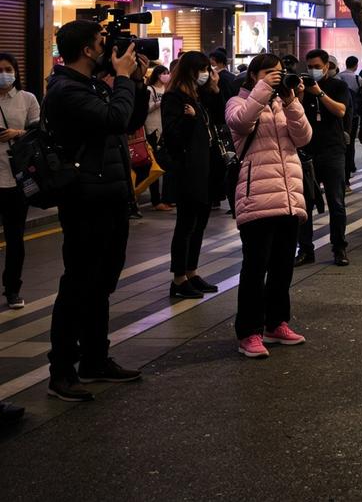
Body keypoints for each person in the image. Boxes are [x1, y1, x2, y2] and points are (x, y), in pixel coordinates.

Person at [44, 20, 150, 401]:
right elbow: (113, 119)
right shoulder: (65, 89)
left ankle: (94, 359)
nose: (109, 48)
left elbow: (130, 121)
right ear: (88, 51)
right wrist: (121, 79)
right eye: (102, 42)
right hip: (85, 200)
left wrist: (134, 82)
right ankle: (61, 372)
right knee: (78, 285)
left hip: (110, 196)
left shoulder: (89, 85)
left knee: (101, 284)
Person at [225, 54, 313, 359]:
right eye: (269, 72)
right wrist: (262, 90)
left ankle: (276, 323)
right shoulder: (238, 102)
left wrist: (291, 102)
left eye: (280, 72)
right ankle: (248, 331)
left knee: (282, 267)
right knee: (254, 267)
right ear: (253, 75)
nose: (277, 77)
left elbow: (303, 138)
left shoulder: (281, 104)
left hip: (288, 196)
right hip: (257, 197)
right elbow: (240, 122)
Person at [160, 52, 227, 299]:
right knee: (186, 225)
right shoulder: (174, 97)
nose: (206, 74)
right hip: (188, 170)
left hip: (206, 167)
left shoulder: (200, 97)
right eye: (202, 69)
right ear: (189, 71)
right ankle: (178, 279)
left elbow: (220, 119)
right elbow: (173, 137)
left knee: (200, 223)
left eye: (208, 69)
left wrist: (216, 88)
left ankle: (191, 272)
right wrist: (188, 120)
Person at [294, 50, 351, 266]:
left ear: (327, 66)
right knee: (304, 204)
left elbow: (341, 111)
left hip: (333, 151)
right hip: (307, 152)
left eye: (316, 66)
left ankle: (339, 248)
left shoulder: (338, 86)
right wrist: (300, 94)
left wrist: (318, 93)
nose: (312, 70)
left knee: (336, 202)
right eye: (309, 66)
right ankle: (306, 250)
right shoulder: (301, 87)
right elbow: (294, 114)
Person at [0, 52, 39, 310]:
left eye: (8, 68)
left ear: (15, 71)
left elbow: (39, 132)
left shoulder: (28, 99)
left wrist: (18, 132)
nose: (4, 73)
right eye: (0, 69)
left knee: (15, 239)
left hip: (16, 180)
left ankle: (12, 289)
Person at [143, 64, 174, 212]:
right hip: (153, 131)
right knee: (155, 166)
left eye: (168, 73)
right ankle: (157, 200)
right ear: (157, 75)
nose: (166, 75)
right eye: (164, 73)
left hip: (165, 130)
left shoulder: (168, 89)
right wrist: (159, 103)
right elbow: (146, 109)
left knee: (168, 166)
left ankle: (167, 198)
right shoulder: (150, 90)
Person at [339, 55, 361, 184]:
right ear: (356, 65)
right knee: (350, 142)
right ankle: (351, 165)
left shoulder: (340, 77)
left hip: (342, 113)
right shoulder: (358, 79)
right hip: (353, 114)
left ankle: (347, 169)